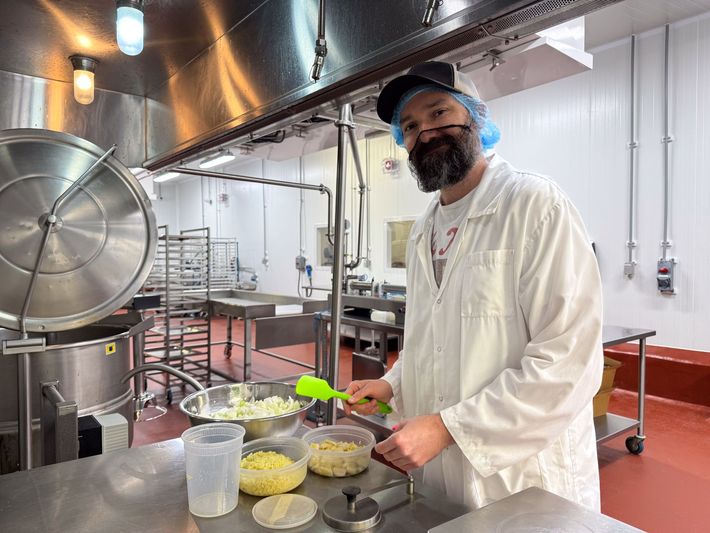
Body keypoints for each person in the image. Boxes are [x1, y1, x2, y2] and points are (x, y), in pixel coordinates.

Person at [343, 61, 604, 510]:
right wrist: (392, 384)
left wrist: (447, 428)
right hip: (443, 476)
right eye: (409, 125)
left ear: (475, 118)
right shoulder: (425, 229)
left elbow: (568, 361)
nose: (425, 132)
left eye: (439, 113)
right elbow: (430, 341)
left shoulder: (534, 205)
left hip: (523, 476)